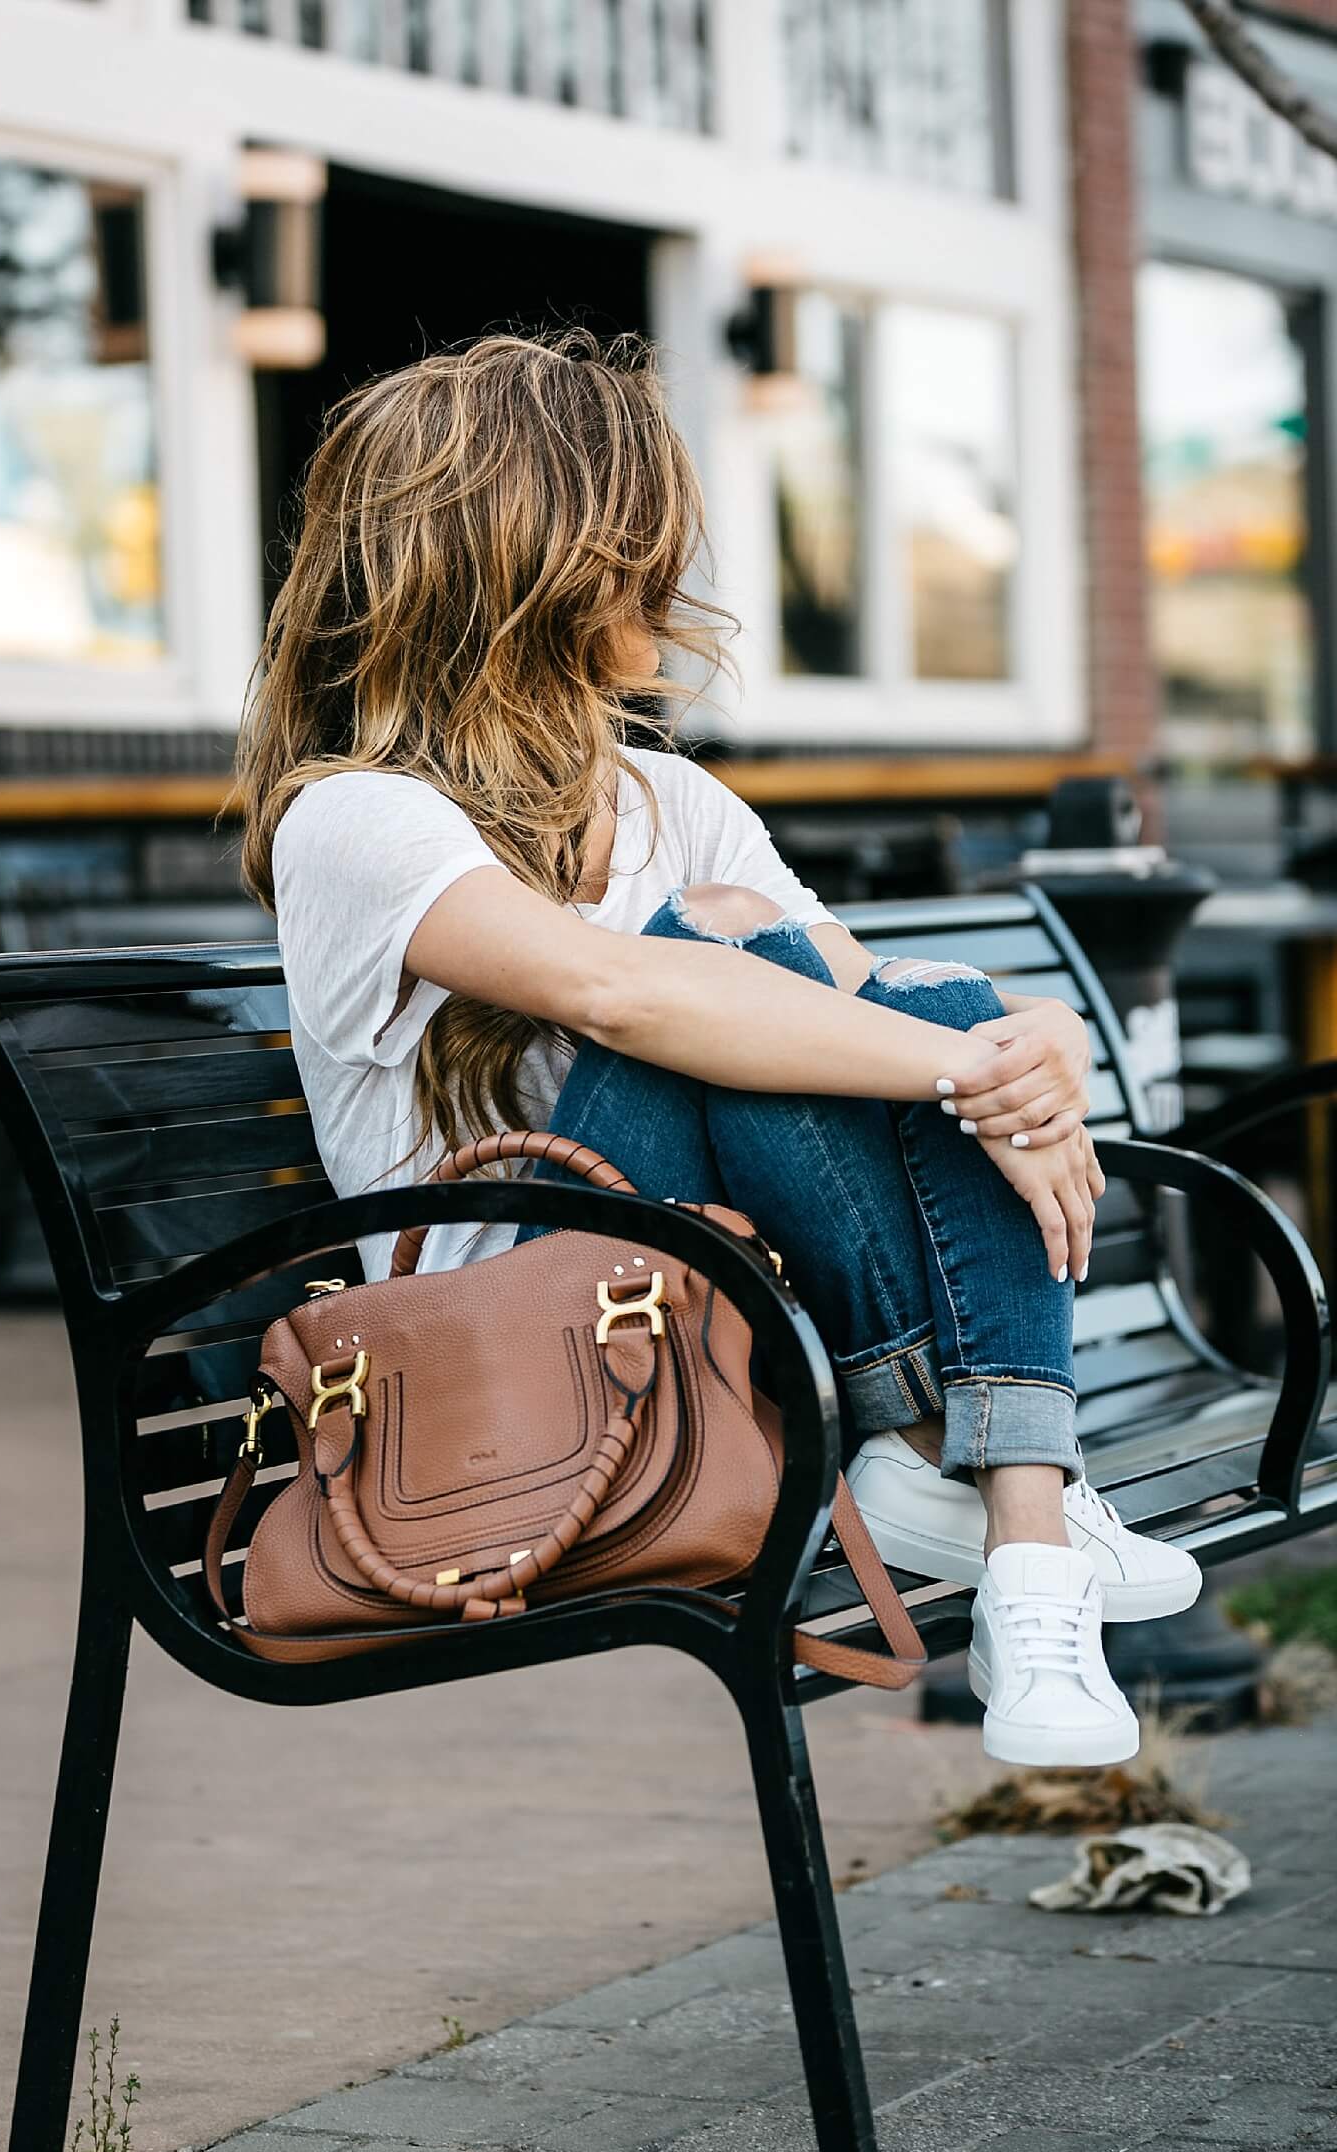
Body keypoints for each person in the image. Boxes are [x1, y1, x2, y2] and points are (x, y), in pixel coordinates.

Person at [235, 328, 1200, 1767]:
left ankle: (1014, 1536)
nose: (676, 578)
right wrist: (968, 1070)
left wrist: (1032, 1034)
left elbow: (887, 998)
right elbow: (624, 999)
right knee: (726, 958)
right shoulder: (357, 821)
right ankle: (986, 1485)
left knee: (844, 989)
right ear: (537, 567)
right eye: (642, 546)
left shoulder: (667, 796)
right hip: (512, 1334)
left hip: (697, 1295)